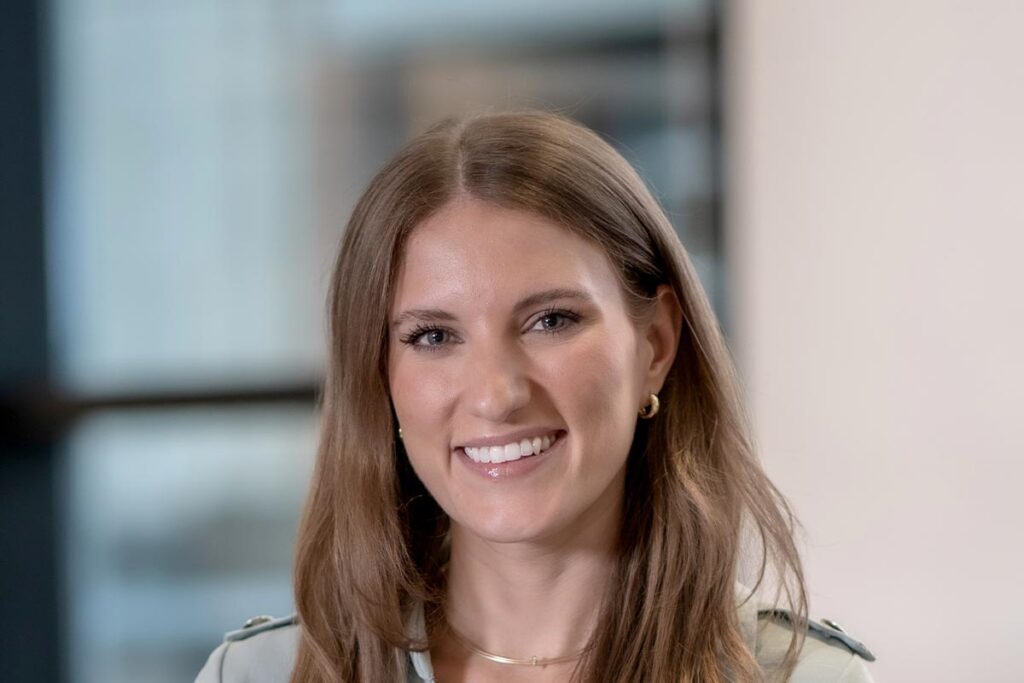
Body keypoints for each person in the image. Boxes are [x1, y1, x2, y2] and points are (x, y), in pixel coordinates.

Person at [196, 111, 875, 682]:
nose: (496, 394)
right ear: (380, 379)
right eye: (433, 335)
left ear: (656, 346)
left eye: (551, 320)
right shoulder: (258, 674)